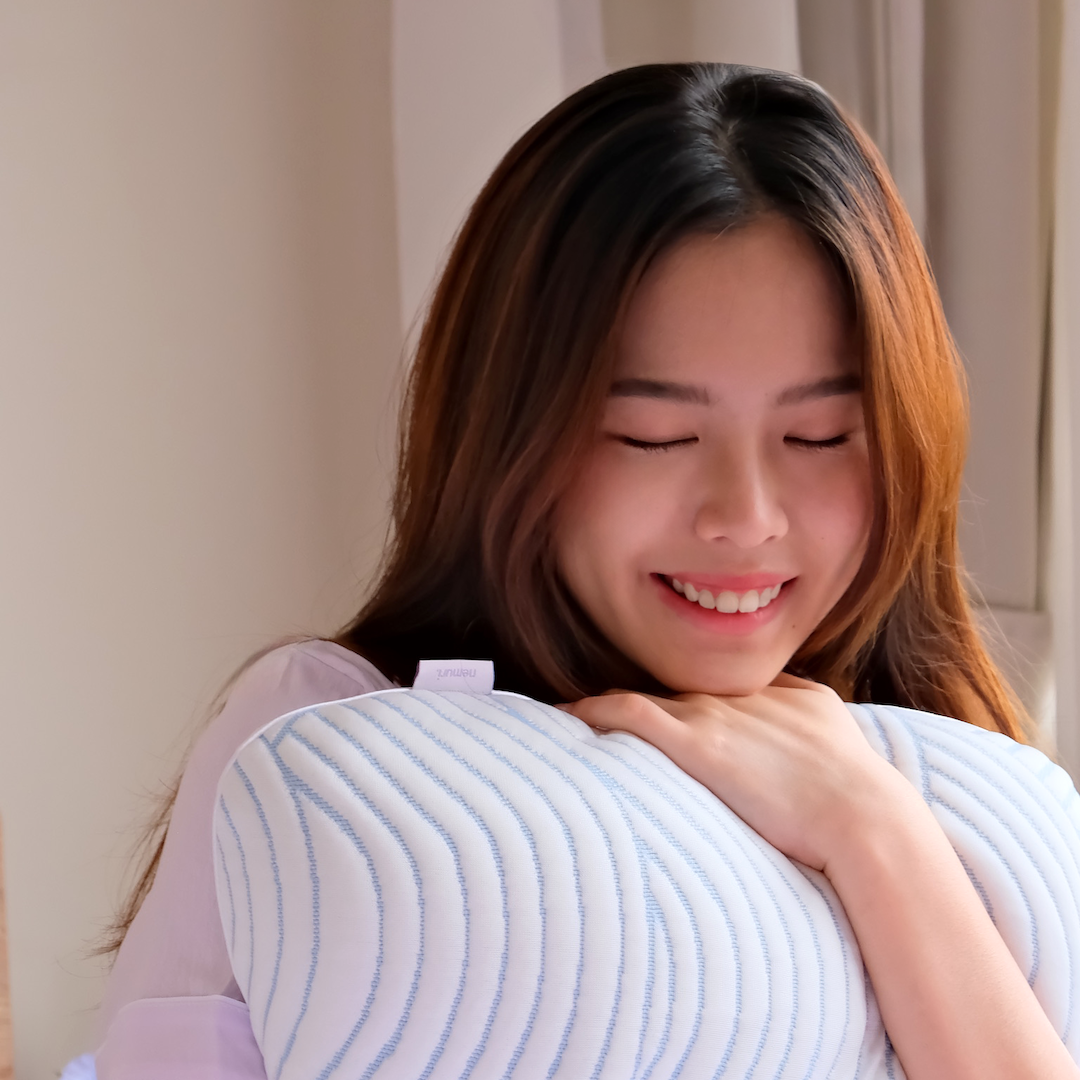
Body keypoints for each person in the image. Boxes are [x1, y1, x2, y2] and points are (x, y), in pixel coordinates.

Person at [94, 63, 1080, 1078]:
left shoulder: (951, 769)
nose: (746, 518)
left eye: (820, 435)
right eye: (653, 436)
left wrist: (870, 829)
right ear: (513, 433)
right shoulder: (325, 740)